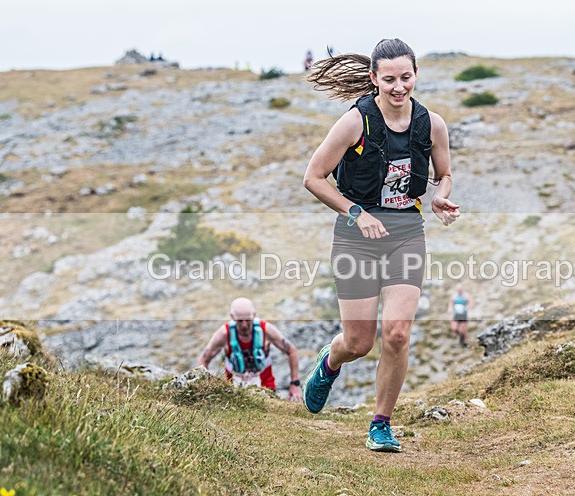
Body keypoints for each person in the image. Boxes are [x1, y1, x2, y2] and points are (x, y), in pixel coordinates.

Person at [302, 38, 460, 452]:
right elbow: (314, 177)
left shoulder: (432, 124)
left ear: (416, 75)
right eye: (388, 79)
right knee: (359, 342)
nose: (398, 87)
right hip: (357, 237)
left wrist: (440, 196)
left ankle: (380, 424)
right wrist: (357, 213)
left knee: (396, 334)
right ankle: (329, 362)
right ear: (373, 79)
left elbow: (443, 174)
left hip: (406, 232)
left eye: (405, 77)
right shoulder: (355, 121)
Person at [197, 297, 302, 401]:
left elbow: (291, 351)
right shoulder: (224, 334)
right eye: (240, 321)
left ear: (254, 315)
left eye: (248, 320)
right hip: (234, 393)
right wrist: (205, 387)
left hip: (266, 390)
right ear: (232, 317)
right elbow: (203, 360)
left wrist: (295, 384)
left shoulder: (266, 330)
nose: (244, 325)